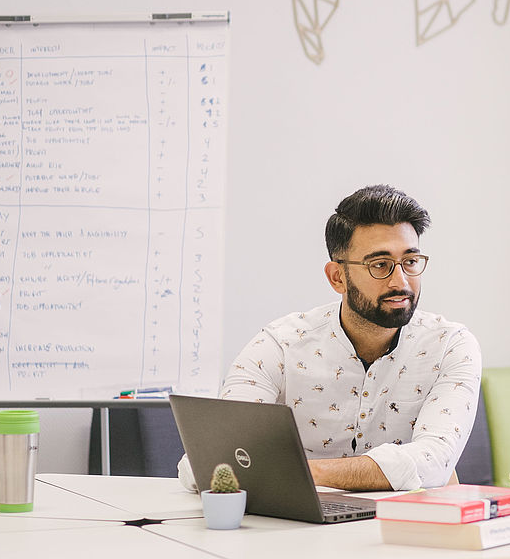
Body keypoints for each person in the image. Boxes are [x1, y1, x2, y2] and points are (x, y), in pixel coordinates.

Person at [177, 184, 481, 492]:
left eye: (410, 262)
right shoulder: (280, 345)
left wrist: (298, 471)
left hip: (404, 530)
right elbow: (203, 463)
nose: (400, 280)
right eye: (380, 265)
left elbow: (433, 463)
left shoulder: (450, 346)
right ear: (337, 277)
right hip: (292, 532)